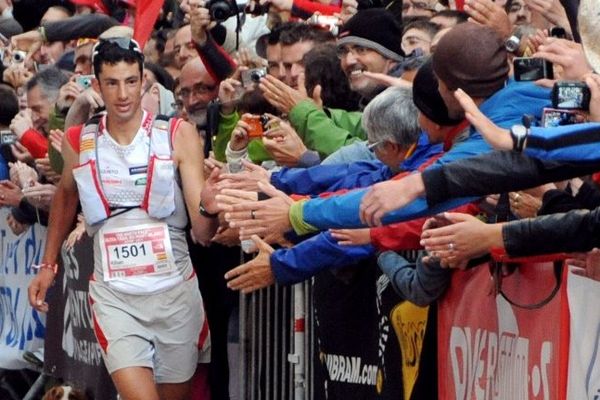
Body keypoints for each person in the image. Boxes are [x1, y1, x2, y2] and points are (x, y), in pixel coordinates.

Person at [27, 36, 218, 400]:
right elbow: (66, 194)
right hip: (115, 297)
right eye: (112, 83)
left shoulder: (178, 135)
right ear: (97, 85)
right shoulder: (79, 140)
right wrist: (47, 266)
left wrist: (210, 204)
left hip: (174, 294)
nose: (123, 93)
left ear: (144, 79)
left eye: (131, 81)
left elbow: (204, 231)